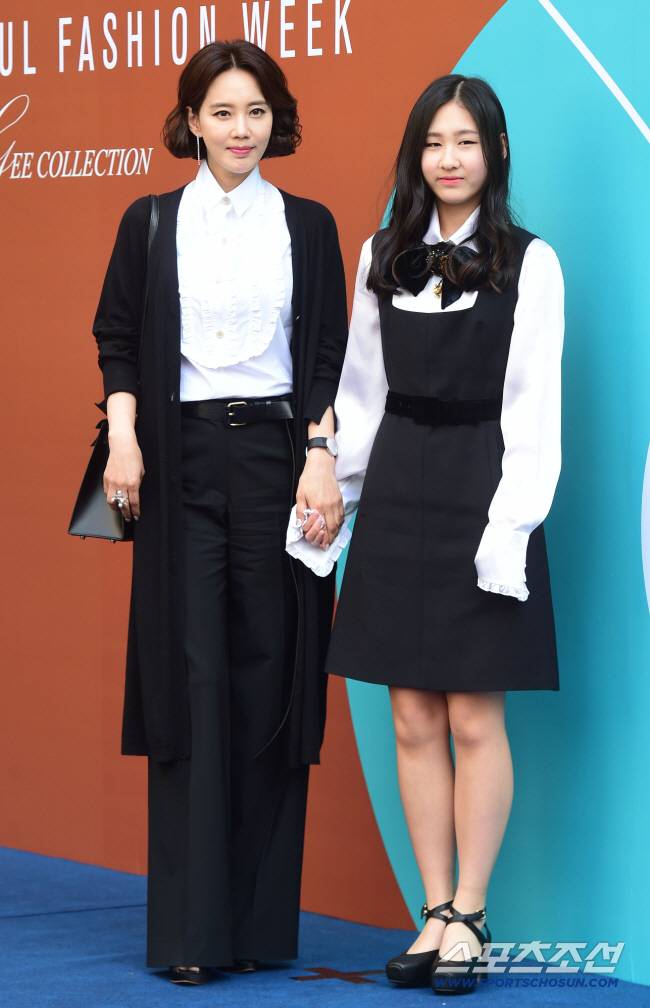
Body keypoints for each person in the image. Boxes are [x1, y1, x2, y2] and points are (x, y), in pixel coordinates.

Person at [287, 74, 564, 995]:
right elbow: (363, 393)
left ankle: (473, 915)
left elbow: (534, 410)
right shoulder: (382, 253)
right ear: (416, 153)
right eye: (434, 142)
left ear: (496, 153)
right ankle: (435, 909)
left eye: (466, 142)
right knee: (411, 716)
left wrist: (509, 527)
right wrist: (335, 494)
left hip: (483, 487)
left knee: (475, 717)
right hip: (401, 488)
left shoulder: (532, 263)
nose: (449, 159)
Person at [93, 40, 347, 984]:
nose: (243, 129)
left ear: (277, 120)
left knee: (269, 675)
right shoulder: (151, 221)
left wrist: (319, 456)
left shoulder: (309, 226)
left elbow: (327, 357)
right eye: (224, 112)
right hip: (179, 461)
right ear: (192, 121)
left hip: (279, 462)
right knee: (191, 679)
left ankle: (255, 928)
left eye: (257, 111)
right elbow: (119, 337)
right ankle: (191, 937)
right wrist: (124, 438)